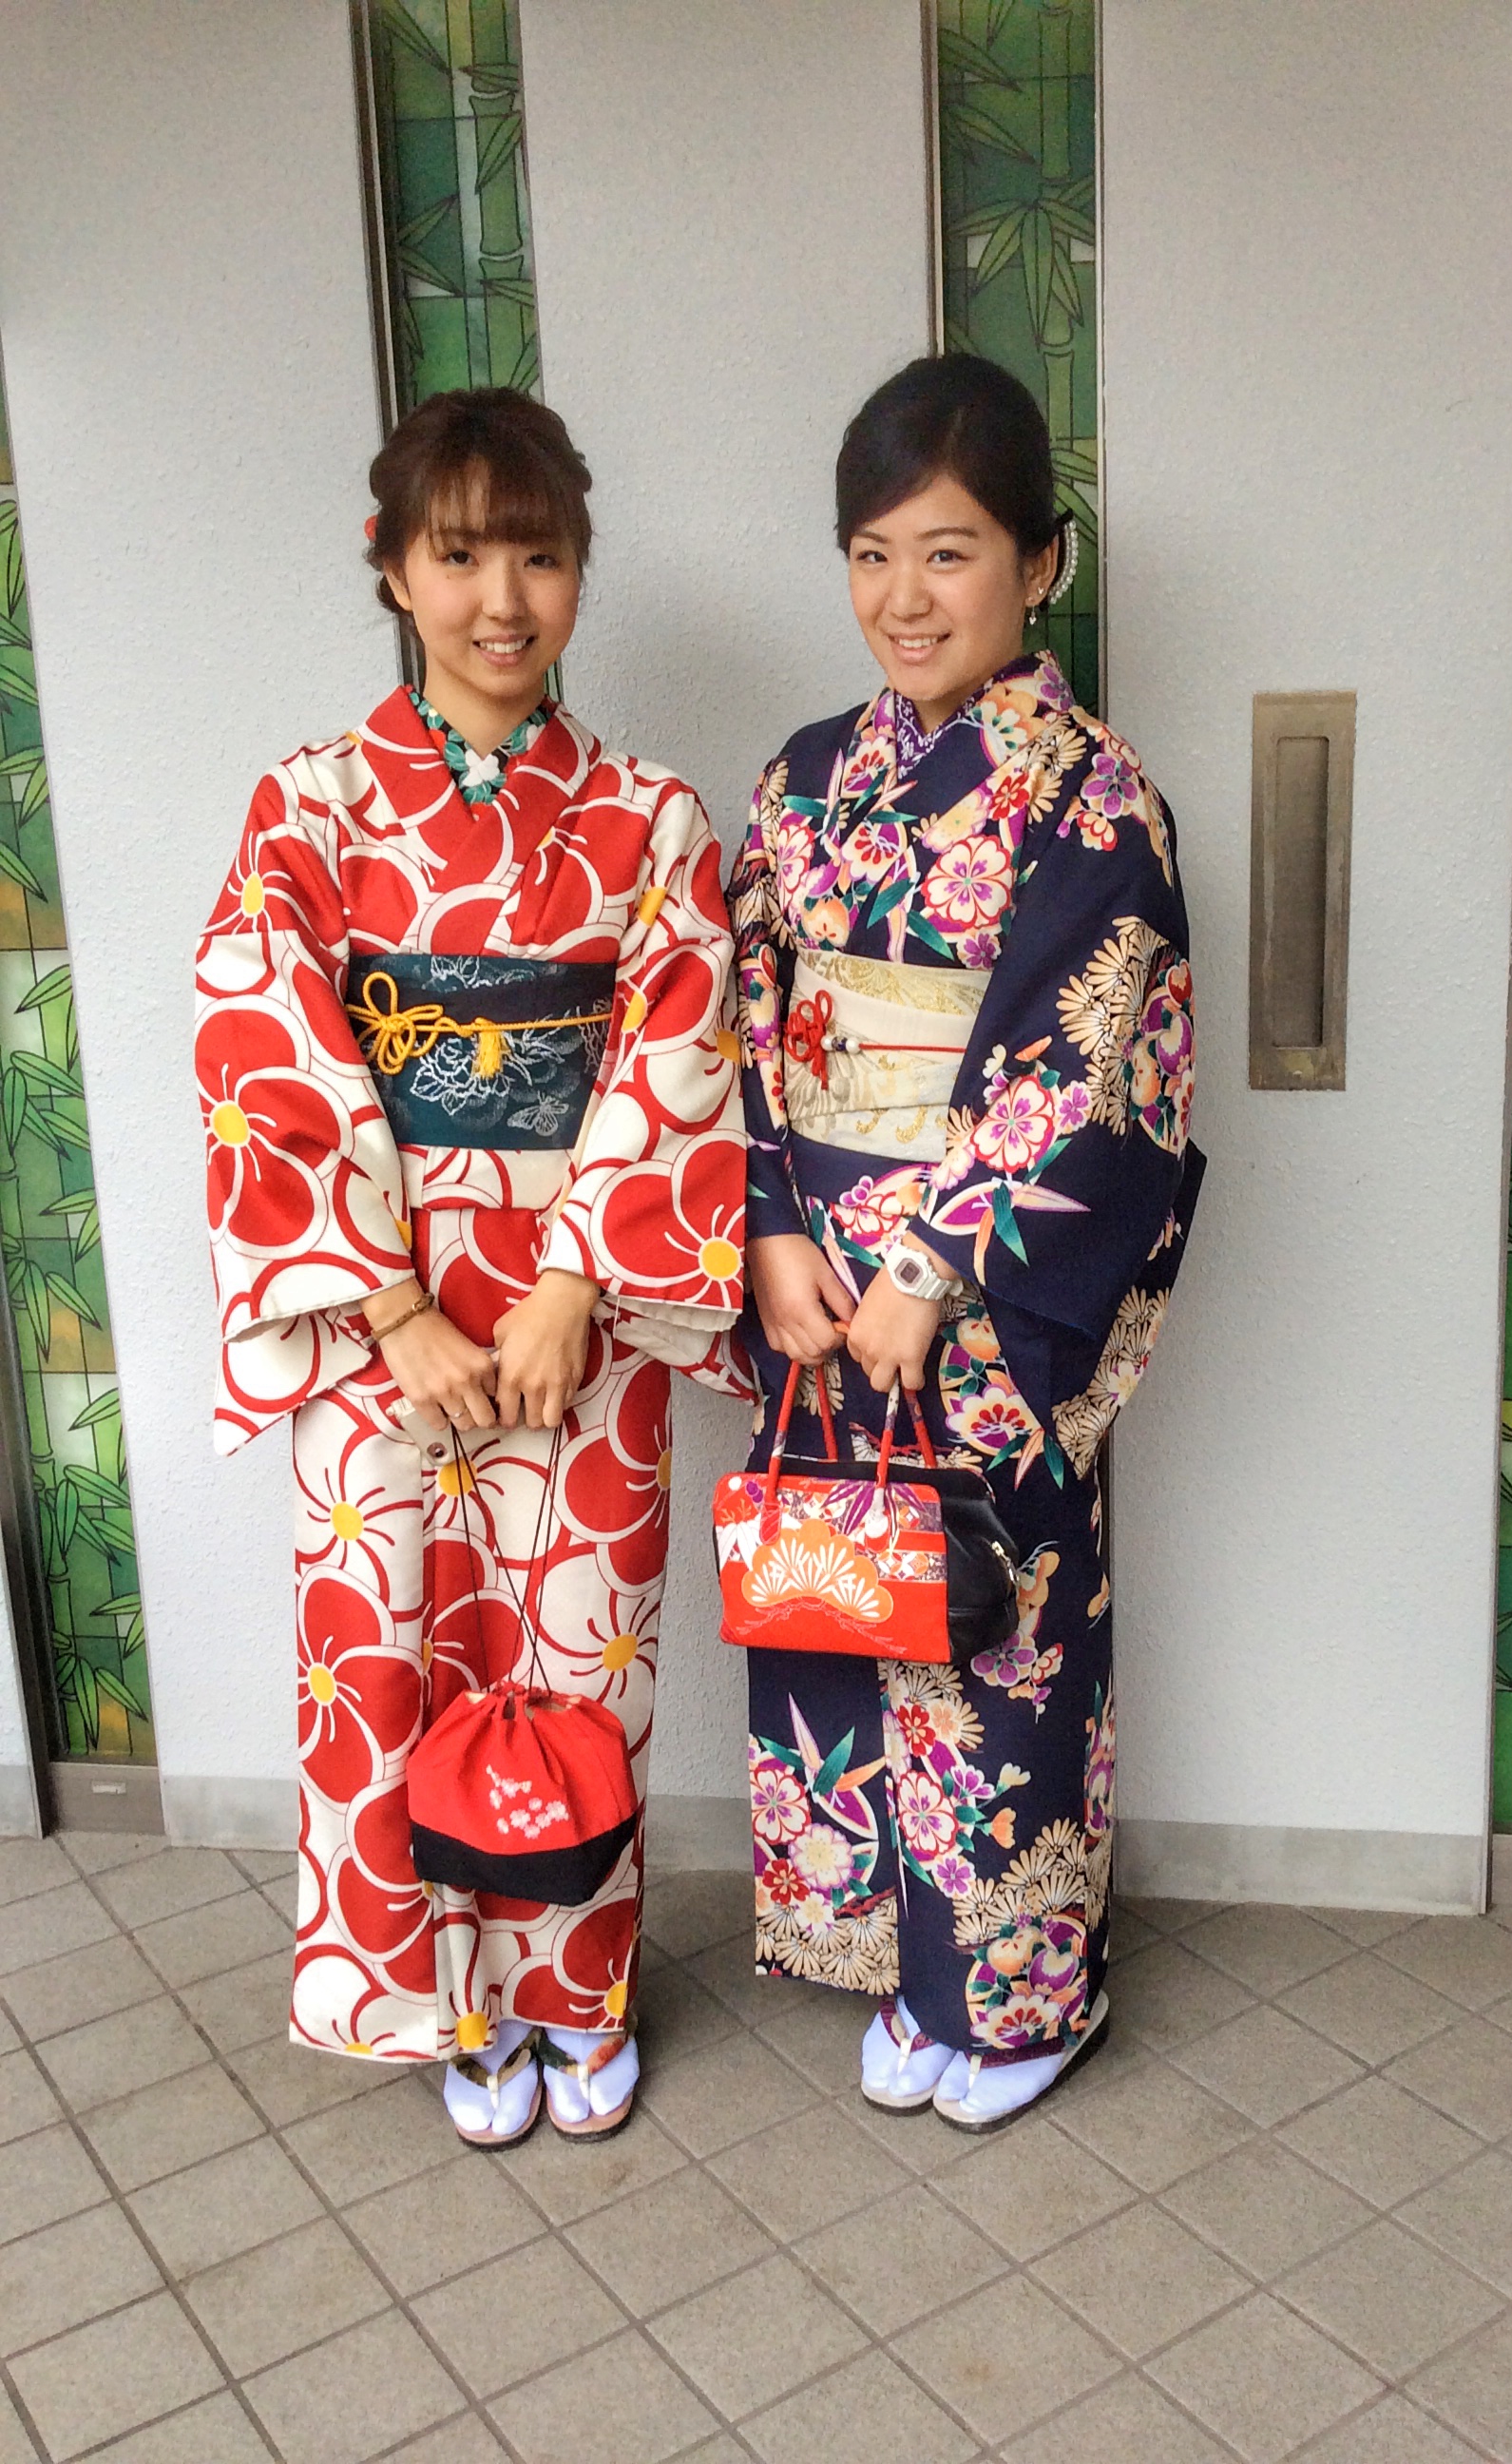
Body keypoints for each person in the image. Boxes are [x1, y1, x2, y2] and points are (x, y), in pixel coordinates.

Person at [196, 388, 744, 2147]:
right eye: (459, 556)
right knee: (391, 1655)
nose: (503, 600)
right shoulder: (310, 808)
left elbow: (678, 1048)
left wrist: (578, 1284)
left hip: (584, 1318)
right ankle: (449, 2004)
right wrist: (395, 1306)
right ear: (392, 566)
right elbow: (263, 1051)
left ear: (581, 566)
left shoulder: (652, 820)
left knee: (581, 1663)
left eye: (539, 556)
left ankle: (579, 1988)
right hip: (384, 1326)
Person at [729, 353, 1202, 2129]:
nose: (903, 599)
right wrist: (774, 1229)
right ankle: (892, 1965)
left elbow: (1095, 1057)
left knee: (1001, 1638)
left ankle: (1018, 1998)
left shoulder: (1098, 802)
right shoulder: (801, 782)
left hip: (981, 1303)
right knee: (843, 1601)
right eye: (872, 555)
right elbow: (741, 1018)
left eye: (948, 552)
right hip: (817, 1292)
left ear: (1039, 562)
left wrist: (929, 1272)